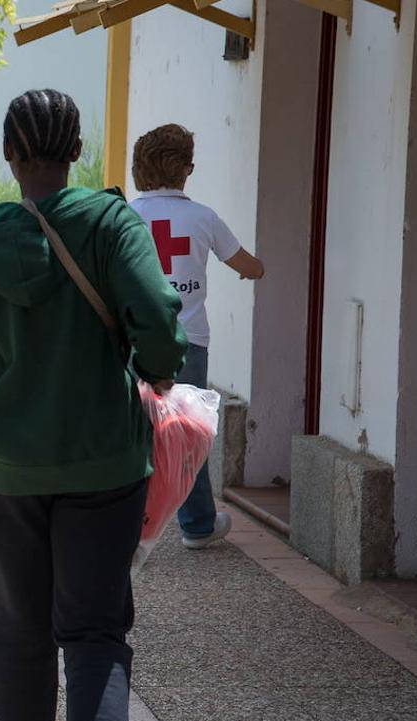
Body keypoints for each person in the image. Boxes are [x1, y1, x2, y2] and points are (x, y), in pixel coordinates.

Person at [0, 89, 186, 721]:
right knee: (94, 633)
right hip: (104, 462)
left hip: (7, 469)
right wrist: (159, 374)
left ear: (9, 153)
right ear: (78, 151)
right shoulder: (110, 224)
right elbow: (157, 318)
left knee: (18, 635)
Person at [130, 123, 266, 550]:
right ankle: (198, 525)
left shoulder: (128, 214)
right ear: (187, 169)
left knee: (130, 429)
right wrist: (256, 268)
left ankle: (125, 522)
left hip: (133, 339)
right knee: (187, 435)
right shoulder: (202, 217)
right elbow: (247, 264)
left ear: (139, 168)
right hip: (188, 341)